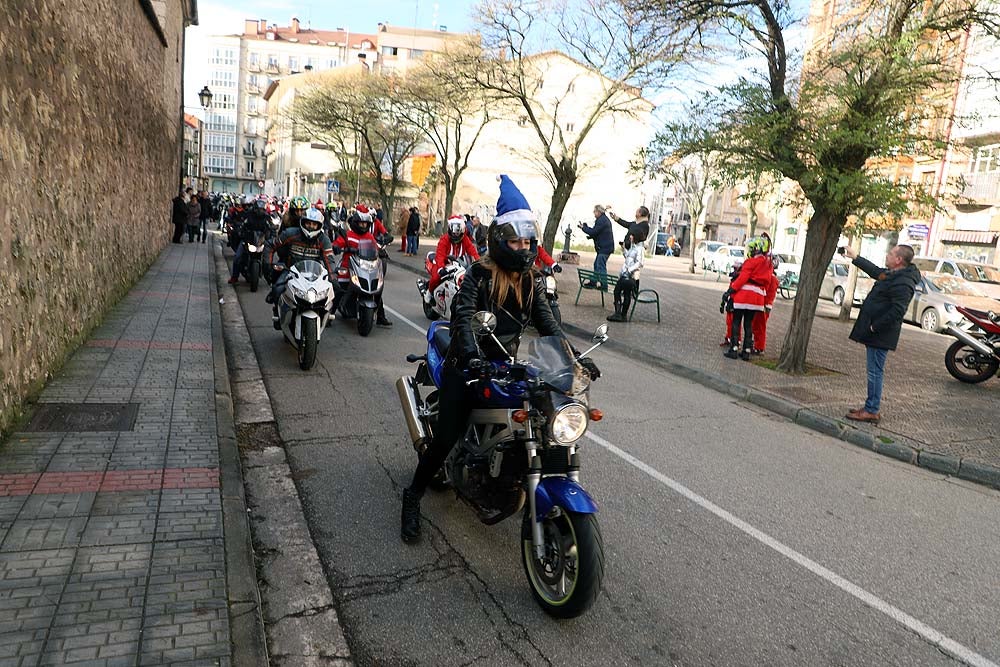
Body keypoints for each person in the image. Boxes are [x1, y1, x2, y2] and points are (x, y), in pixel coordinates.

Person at [400, 175, 600, 544]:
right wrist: (472, 356)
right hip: (469, 365)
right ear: (499, 239)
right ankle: (412, 496)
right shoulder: (479, 274)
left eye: (527, 240)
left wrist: (573, 360)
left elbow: (549, 325)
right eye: (515, 240)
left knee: (543, 422)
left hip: (507, 365)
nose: (523, 247)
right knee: (445, 438)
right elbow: (462, 318)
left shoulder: (531, 280)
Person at [842, 244, 919, 424]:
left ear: (899, 260)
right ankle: (870, 406)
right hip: (876, 332)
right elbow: (875, 271)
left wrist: (874, 327)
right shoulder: (893, 274)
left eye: (891, 253)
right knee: (873, 371)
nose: (887, 255)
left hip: (880, 334)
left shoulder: (903, 282)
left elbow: (898, 311)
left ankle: (872, 410)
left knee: (875, 372)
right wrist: (855, 257)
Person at [266, 208, 336, 330]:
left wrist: (333, 277)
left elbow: (329, 260)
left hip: (314, 275)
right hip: (290, 271)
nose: (311, 226)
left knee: (332, 292)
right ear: (302, 222)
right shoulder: (290, 233)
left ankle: (326, 315)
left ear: (319, 225)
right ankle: (278, 314)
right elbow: (271, 245)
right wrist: (267, 265)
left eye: (314, 224)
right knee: (277, 289)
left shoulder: (324, 240)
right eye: (308, 223)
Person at [330, 206, 393, 327]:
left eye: (365, 224)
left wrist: (381, 251)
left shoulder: (369, 237)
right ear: (355, 223)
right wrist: (336, 246)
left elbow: (375, 247)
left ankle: (381, 316)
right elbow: (338, 243)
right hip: (348, 267)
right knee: (338, 287)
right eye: (361, 223)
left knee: (376, 289)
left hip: (365, 268)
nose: (363, 226)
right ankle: (329, 315)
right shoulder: (348, 235)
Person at [722, 236, 774, 360]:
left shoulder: (751, 262)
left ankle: (734, 348)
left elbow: (742, 279)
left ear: (755, 249)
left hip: (744, 296)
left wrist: (730, 290)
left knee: (736, 321)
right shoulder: (768, 264)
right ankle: (746, 351)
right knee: (748, 324)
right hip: (758, 299)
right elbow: (767, 283)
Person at [425, 215, 481, 300]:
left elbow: (473, 252)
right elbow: (440, 255)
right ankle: (429, 293)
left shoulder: (465, 239)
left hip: (459, 264)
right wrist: (441, 268)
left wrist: (479, 263)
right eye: (454, 231)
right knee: (436, 277)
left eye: (458, 231)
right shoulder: (444, 239)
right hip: (445, 263)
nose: (456, 233)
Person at [228, 198, 272, 285]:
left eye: (262, 209)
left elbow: (271, 228)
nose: (260, 211)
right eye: (258, 209)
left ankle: (269, 277)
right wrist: (240, 231)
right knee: (237, 257)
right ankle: (234, 277)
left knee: (268, 259)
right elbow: (243, 225)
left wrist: (271, 235)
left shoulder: (267, 217)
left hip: (260, 241)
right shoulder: (249, 215)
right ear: (255, 209)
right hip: (248, 239)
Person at [607, 233, 644, 322]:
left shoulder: (639, 249)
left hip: (629, 276)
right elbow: (628, 258)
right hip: (625, 274)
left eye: (632, 235)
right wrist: (624, 249)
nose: (630, 237)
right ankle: (622, 315)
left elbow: (640, 263)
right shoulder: (633, 247)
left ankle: (619, 314)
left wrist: (629, 270)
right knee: (625, 293)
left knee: (618, 292)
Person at [578, 204, 615, 289]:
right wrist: (586, 228)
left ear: (598, 212)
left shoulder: (601, 220)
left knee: (600, 266)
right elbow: (597, 232)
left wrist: (584, 228)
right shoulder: (603, 219)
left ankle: (603, 285)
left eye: (594, 211)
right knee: (597, 264)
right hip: (605, 247)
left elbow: (594, 232)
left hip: (604, 248)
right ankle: (594, 282)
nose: (594, 213)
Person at [751, 255, 781, 354]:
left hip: (763, 305)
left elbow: (765, 292)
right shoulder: (774, 279)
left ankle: (759, 347)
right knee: (758, 325)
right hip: (766, 305)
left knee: (759, 326)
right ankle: (757, 345)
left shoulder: (770, 279)